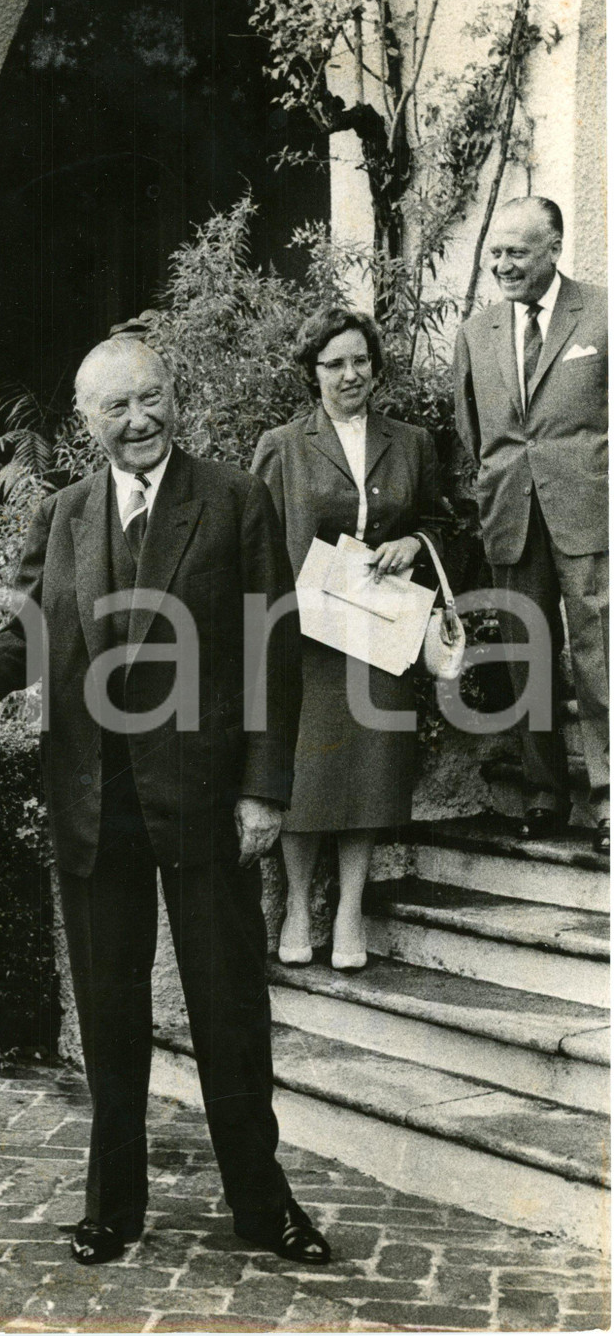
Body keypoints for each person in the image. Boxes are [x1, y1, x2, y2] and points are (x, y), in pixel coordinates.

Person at [0, 335, 329, 1268]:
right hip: (95, 800)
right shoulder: (64, 514)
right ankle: (112, 1206)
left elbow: (271, 652)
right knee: (109, 1012)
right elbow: (30, 629)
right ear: (87, 423)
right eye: (116, 408)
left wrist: (262, 788)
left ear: (175, 398)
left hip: (207, 802)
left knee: (229, 1012)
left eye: (151, 399)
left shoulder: (234, 500)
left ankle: (262, 1203)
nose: (139, 421)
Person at [252, 308, 451, 970]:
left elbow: (443, 525)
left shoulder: (411, 443)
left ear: (375, 366)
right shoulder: (284, 444)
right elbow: (255, 542)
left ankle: (350, 913)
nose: (350, 374)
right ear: (313, 373)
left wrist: (411, 545)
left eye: (360, 360)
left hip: (381, 630)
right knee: (306, 771)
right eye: (334, 363)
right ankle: (298, 908)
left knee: (371, 770)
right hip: (307, 634)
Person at [454, 196, 609, 852]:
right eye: (495, 252)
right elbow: (472, 431)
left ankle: (608, 801)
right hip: (512, 517)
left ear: (553, 248)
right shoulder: (476, 332)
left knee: (602, 653)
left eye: (516, 251)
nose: (502, 264)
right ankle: (546, 792)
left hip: (590, 515)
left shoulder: (601, 313)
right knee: (526, 652)